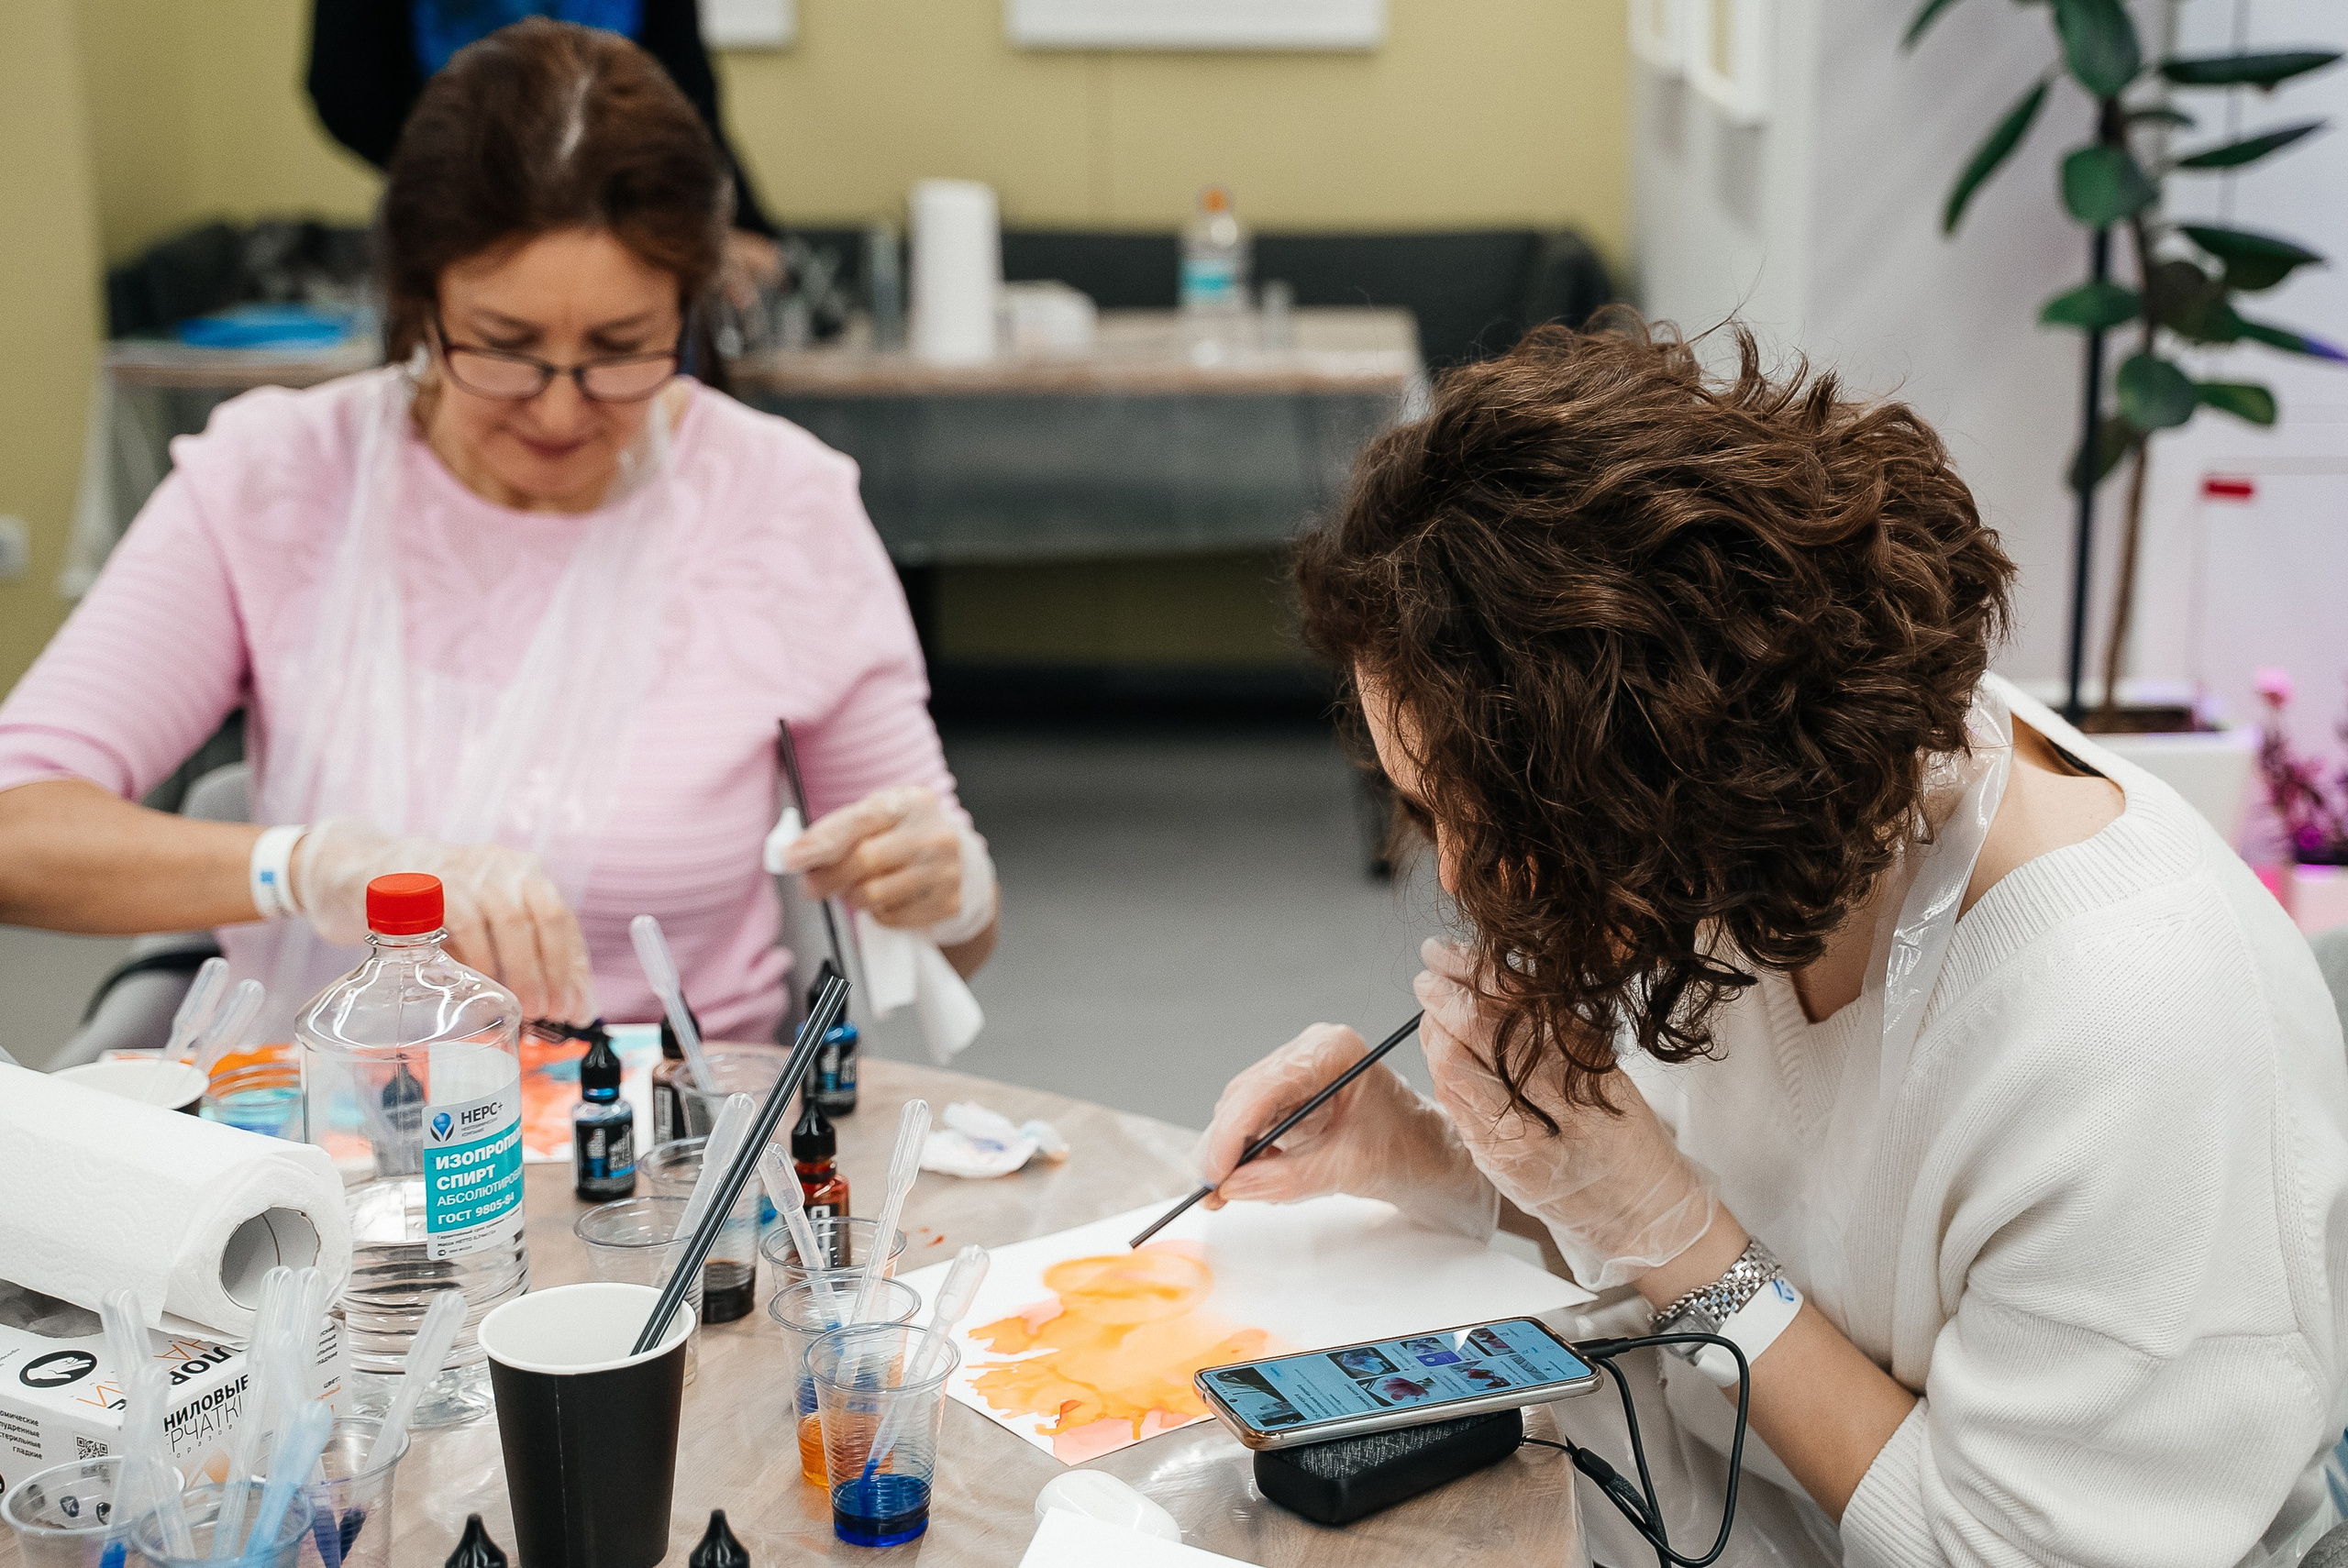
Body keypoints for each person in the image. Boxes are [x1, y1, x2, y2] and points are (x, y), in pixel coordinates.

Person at [1195, 320, 2348, 1567]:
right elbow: (1694, 1229)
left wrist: (1682, 1234)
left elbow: (1991, 1543)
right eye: (1426, 813)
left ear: (1655, 779)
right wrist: (1438, 1156)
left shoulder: (2125, 1031)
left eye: (1481, 820)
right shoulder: (1759, 820)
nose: (1465, 882)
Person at [0, 19, 996, 1043]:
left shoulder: (781, 504)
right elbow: (15, 828)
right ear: (418, 306)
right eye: (505, 349)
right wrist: (306, 867)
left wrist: (943, 887)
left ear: (690, 315)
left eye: (621, 350)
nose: (560, 412)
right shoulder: (276, 483)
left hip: (668, 1157)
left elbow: (957, 931)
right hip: (336, 1148)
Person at [305, 0, 782, 301]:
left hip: (620, 213)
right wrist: (476, 171)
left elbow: (685, 94)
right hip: (450, 212)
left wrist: (739, 222)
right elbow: (346, 92)